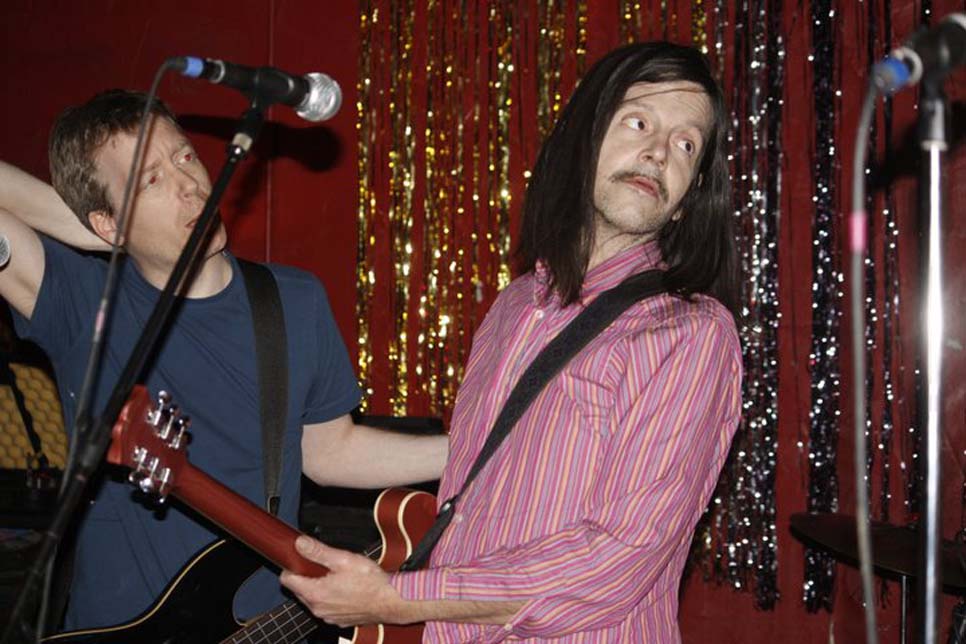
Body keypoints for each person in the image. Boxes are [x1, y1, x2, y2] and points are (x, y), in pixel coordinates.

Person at [280, 41, 743, 642]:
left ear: (688, 200)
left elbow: (614, 562)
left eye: (686, 145)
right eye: (638, 121)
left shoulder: (691, 335)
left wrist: (397, 597)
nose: (658, 152)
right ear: (583, 141)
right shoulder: (513, 306)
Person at [0, 90, 448, 632]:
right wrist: (89, 232)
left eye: (184, 156)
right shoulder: (81, 301)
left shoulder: (293, 300)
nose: (190, 184)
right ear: (105, 222)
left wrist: (469, 448)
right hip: (117, 627)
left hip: (259, 625)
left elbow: (331, 451)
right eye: (152, 180)